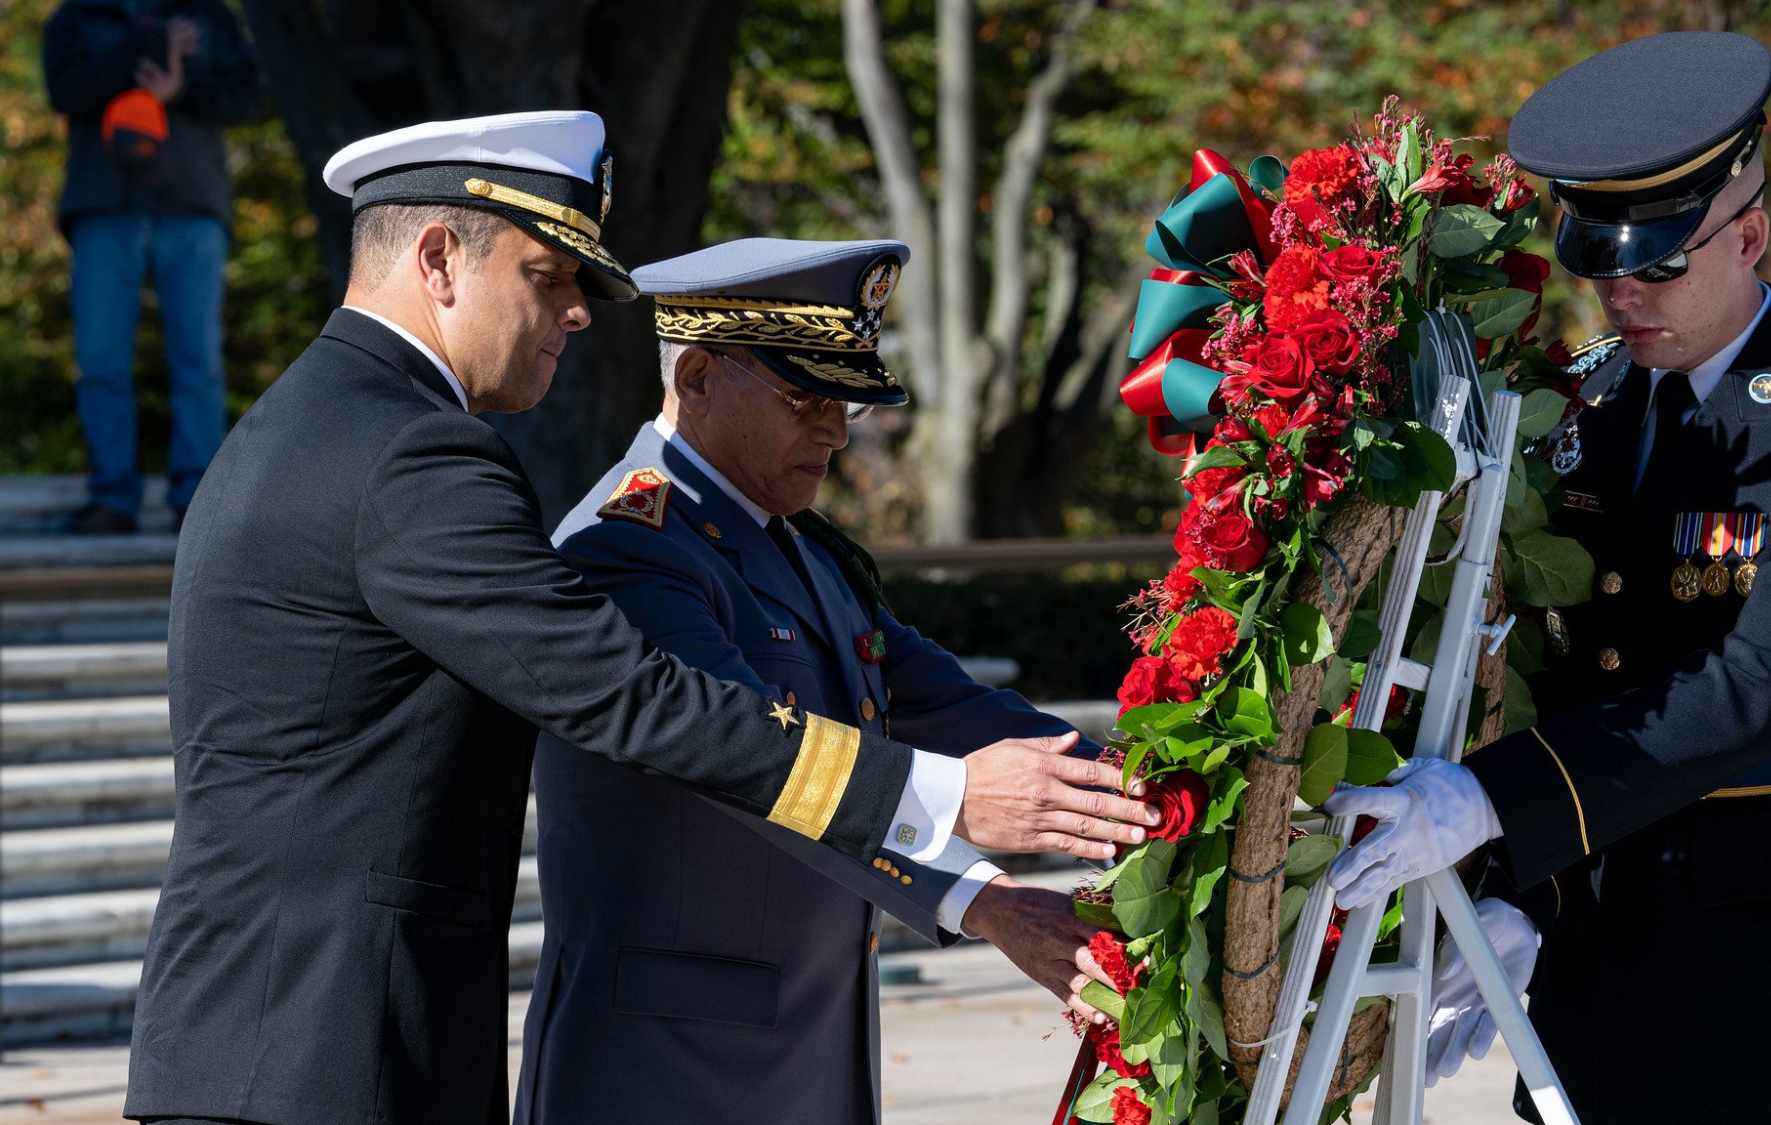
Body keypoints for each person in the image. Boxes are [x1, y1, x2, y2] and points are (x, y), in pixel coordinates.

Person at [123, 113, 1157, 1125]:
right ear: (438, 257)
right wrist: (955, 818)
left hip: (298, 1041)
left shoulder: (337, 422)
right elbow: (634, 699)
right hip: (317, 1048)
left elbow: (932, 697)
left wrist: (1154, 790)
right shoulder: (416, 454)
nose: (578, 312)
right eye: (548, 275)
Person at [1322, 31, 1771, 1125]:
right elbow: (1527, 660)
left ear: (1747, 234)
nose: (1621, 294)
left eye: (1657, 261)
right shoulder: (1575, 403)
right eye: (1598, 262)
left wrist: (1491, 802)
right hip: (1582, 931)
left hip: (1760, 968)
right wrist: (1510, 890)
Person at [515, 238, 1123, 1124]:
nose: (837, 430)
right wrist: (984, 898)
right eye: (805, 397)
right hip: (666, 1072)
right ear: (696, 379)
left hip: (806, 1057)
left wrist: (1158, 794)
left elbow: (955, 708)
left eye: (845, 401)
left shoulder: (798, 546)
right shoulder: (628, 546)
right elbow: (753, 770)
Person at [42, 0, 264, 533]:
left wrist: (179, 88)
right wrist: (141, 49)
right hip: (102, 206)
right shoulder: (77, 15)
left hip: (192, 207)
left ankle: (196, 502)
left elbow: (252, 98)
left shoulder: (210, 16)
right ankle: (113, 499)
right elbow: (66, 92)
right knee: (99, 361)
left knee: (198, 362)